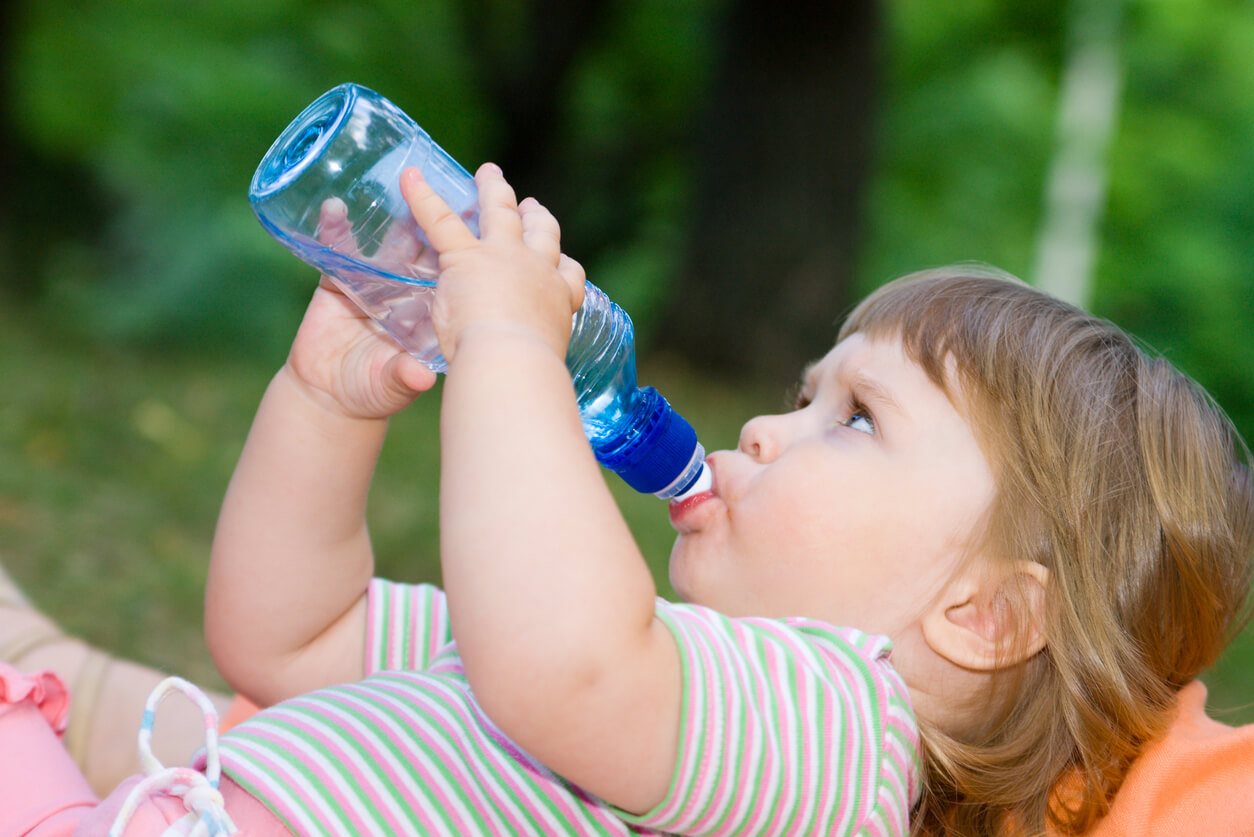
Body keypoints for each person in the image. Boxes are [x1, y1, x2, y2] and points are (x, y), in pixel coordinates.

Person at [1, 162, 1251, 836]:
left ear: (982, 615)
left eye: (857, 419)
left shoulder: (845, 750)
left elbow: (563, 667)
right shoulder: (642, 659)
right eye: (805, 392)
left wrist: (510, 352)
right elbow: (283, 635)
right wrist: (326, 406)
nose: (765, 426)